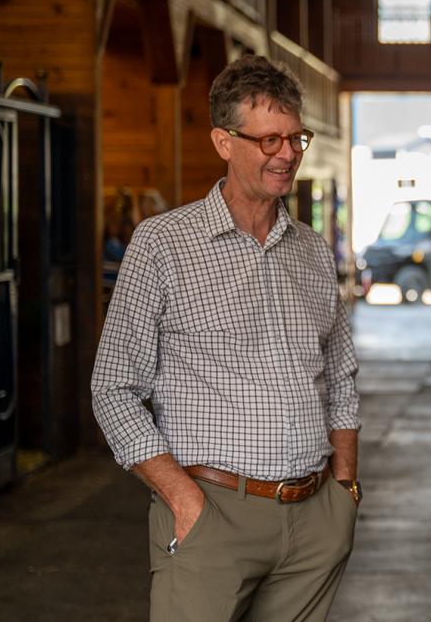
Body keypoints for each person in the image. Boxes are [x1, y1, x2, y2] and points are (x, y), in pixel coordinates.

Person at [91, 55, 361, 622]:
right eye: (268, 141)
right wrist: (185, 501)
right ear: (223, 141)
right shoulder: (163, 244)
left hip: (314, 524)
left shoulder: (311, 251)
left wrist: (344, 490)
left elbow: (340, 376)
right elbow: (114, 389)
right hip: (210, 515)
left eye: (295, 138)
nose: (286, 154)